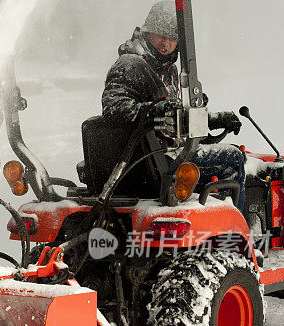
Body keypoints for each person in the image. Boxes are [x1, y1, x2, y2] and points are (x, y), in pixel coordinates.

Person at [101, 1, 246, 211]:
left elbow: (176, 118)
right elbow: (114, 108)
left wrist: (213, 120)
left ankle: (208, 218)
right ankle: (231, 233)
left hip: (160, 156)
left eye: (172, 37)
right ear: (148, 31)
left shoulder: (167, 70)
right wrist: (156, 110)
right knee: (232, 159)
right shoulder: (131, 65)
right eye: (161, 35)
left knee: (230, 152)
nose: (166, 42)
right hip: (147, 162)